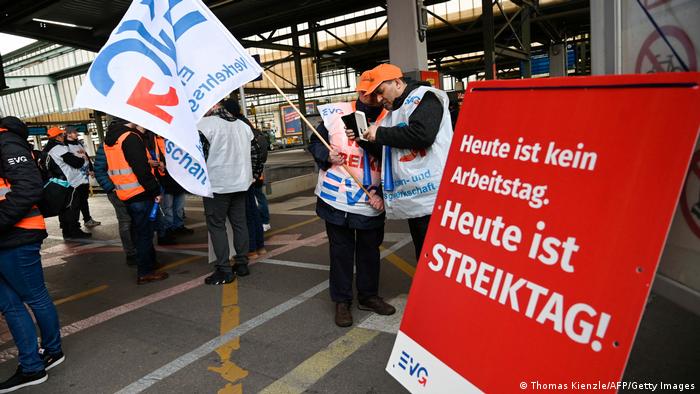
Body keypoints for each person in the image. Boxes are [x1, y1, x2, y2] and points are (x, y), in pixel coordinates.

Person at [308, 72, 396, 327]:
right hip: (335, 198)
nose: (367, 96)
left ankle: (368, 296)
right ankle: (342, 301)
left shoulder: (390, 118)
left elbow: (396, 157)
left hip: (371, 199)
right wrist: (326, 154)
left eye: (372, 92)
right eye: (363, 91)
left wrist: (385, 195)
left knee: (369, 252)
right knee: (340, 253)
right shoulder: (335, 113)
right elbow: (314, 142)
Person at [349, 64, 454, 260]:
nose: (379, 99)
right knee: (425, 255)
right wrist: (363, 140)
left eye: (381, 92)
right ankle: (426, 290)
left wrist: (379, 132)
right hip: (418, 199)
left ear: (397, 82)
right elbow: (387, 152)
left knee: (439, 256)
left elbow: (422, 134)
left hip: (436, 197)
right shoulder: (393, 113)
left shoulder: (425, 97)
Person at [0, 116, 64, 392]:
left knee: (33, 297)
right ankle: (33, 363)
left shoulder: (7, 145)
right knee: (11, 305)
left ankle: (48, 353)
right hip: (9, 235)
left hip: (17, 235)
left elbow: (28, 188)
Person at [104, 119, 168, 285]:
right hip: (140, 192)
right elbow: (141, 169)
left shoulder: (112, 139)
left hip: (126, 193)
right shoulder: (130, 138)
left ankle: (149, 263)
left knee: (140, 231)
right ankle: (145, 272)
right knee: (144, 235)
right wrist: (156, 190)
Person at [198, 101, 253, 284]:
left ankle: (224, 269)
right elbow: (254, 153)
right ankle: (242, 263)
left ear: (212, 105)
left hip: (217, 185)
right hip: (241, 183)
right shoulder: (243, 126)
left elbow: (200, 156)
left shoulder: (205, 126)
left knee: (217, 225)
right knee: (240, 223)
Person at [93, 121, 138, 266]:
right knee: (127, 221)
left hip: (126, 189)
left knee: (129, 221)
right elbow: (99, 170)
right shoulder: (108, 145)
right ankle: (131, 252)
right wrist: (110, 187)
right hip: (121, 191)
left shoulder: (111, 144)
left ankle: (134, 251)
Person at [44, 126, 92, 239]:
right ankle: (75, 231)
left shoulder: (47, 148)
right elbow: (76, 162)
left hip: (58, 182)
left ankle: (66, 231)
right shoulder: (58, 148)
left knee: (64, 207)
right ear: (57, 137)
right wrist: (81, 159)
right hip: (69, 181)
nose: (63, 136)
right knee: (72, 207)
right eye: (62, 135)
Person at [65, 127, 101, 229]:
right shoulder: (65, 146)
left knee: (84, 200)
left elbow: (86, 157)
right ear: (68, 134)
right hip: (75, 179)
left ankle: (87, 219)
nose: (76, 134)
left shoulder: (79, 143)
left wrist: (91, 169)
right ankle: (77, 223)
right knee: (77, 201)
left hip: (84, 177)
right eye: (74, 132)